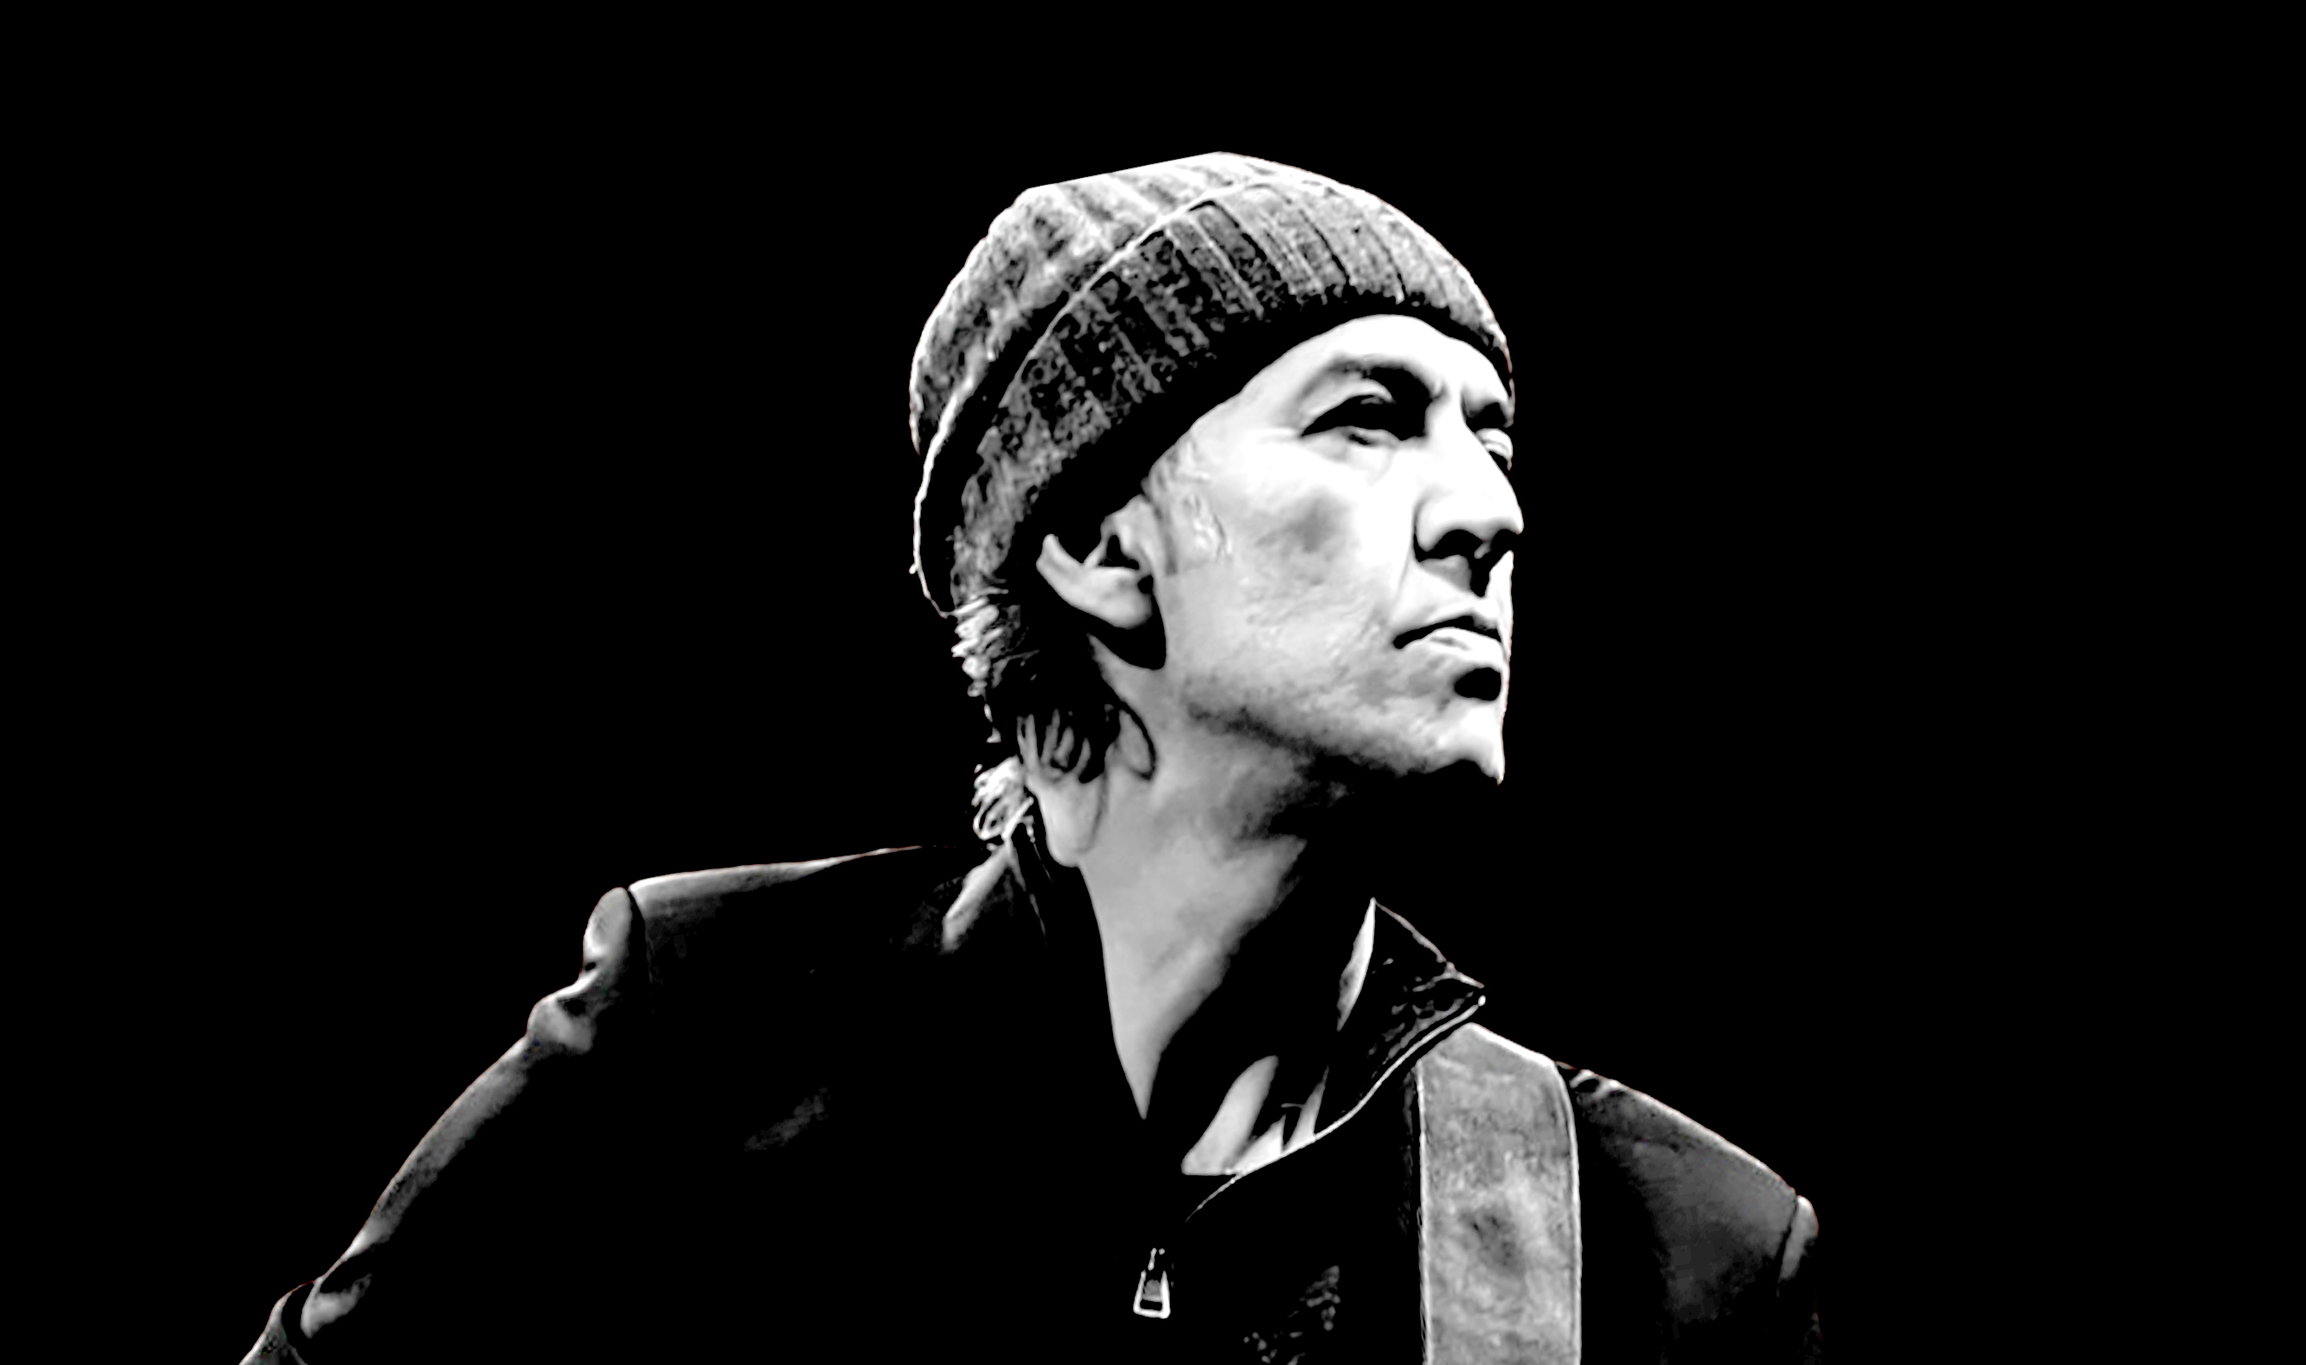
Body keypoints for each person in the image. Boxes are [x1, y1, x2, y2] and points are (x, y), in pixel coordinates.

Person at [243, 152, 1821, 1363]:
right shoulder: (698, 1043)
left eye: (1491, 437)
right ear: (1096, 546)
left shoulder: (1675, 1248)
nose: (1489, 511)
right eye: (1366, 416)